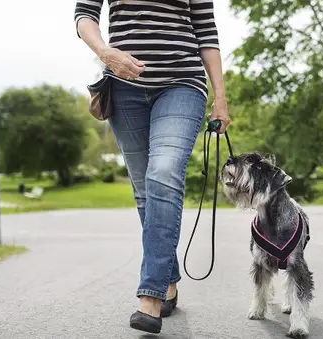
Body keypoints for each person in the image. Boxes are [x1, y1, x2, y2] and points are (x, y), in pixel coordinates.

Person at [74, 0, 231, 334]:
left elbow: (206, 32)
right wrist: (105, 52)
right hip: (123, 88)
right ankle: (167, 280)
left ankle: (151, 296)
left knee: (163, 175)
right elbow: (84, 15)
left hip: (182, 85)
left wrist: (220, 97)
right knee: (146, 192)